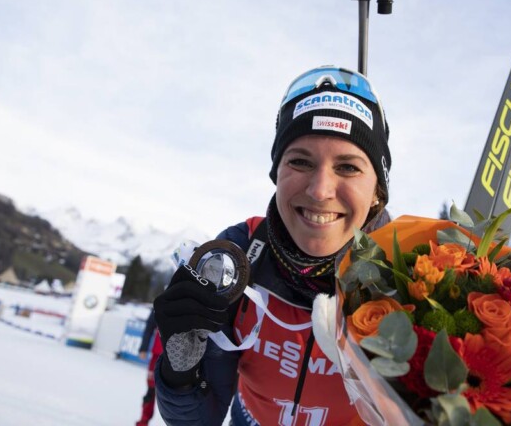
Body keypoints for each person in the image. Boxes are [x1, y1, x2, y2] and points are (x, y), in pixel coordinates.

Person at [153, 66, 392, 425]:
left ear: (377, 191)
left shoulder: (411, 277)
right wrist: (180, 372)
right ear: (277, 172)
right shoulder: (240, 254)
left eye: (348, 167)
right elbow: (199, 420)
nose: (320, 190)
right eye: (300, 161)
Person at [135, 308, 162, 426]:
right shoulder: (161, 302)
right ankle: (143, 421)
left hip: (179, 360)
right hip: (157, 355)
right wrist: (143, 347)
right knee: (151, 391)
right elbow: (150, 326)